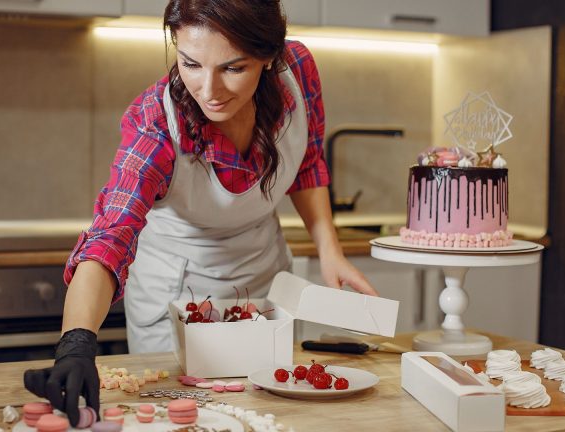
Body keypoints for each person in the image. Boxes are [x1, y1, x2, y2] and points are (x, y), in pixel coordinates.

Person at [24, 0, 379, 426]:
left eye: (233, 68)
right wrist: (76, 343)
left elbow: (306, 164)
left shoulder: (296, 71)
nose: (209, 89)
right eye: (190, 63)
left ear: (268, 57)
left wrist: (330, 250)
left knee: (273, 418)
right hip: (175, 297)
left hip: (263, 281)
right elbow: (110, 235)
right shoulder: (154, 122)